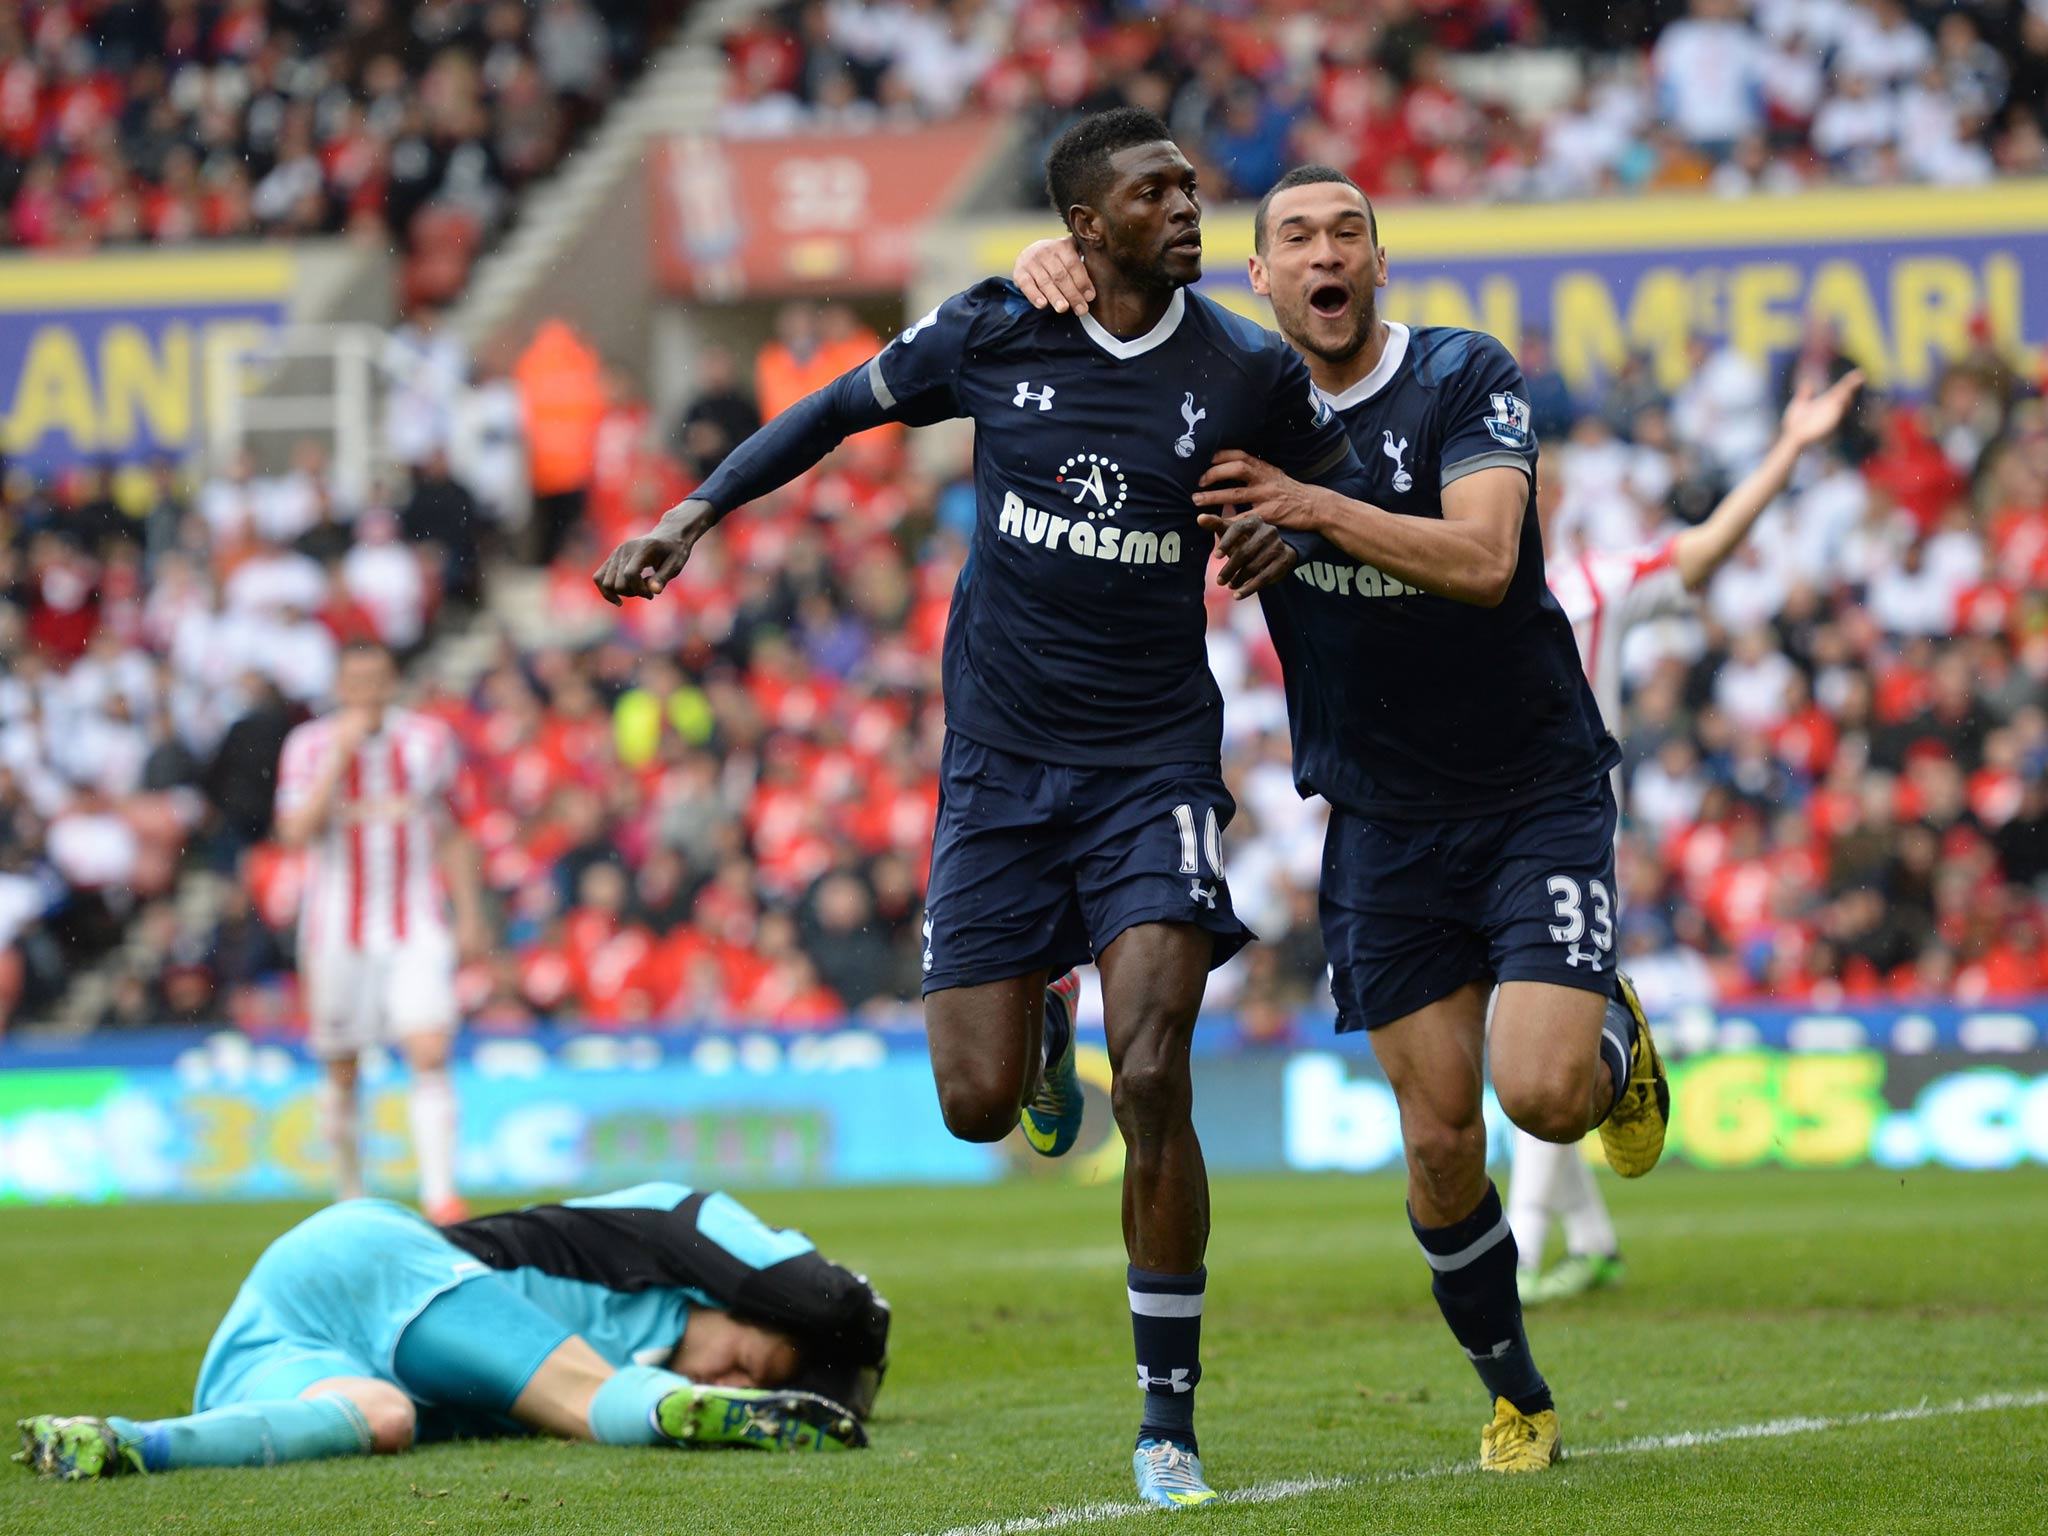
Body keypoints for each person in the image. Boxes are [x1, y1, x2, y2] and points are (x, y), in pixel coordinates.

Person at [595, 108, 1369, 1508]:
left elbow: (1334, 470)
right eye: (1156, 194)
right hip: (1000, 773)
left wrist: (1290, 517)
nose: (1190, 210)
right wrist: (694, 512)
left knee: (1152, 1082)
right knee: (970, 1108)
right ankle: (1037, 1012)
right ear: (1088, 227)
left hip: (1150, 769)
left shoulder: (1241, 370)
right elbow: (836, 409)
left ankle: (1167, 1422)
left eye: (1192, 188)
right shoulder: (997, 329)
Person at [1012, 165, 1671, 1474]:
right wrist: (1057, 269)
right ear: (1257, 279)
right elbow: (1106, 349)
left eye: (1349, 231)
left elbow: (1486, 563)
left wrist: (1307, 513)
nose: (1327, 251)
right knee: (1438, 1146)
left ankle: (1609, 1031)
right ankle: (1519, 1397)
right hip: (1376, 817)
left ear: (1380, 262)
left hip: (1529, 787)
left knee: (1539, 1098)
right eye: (1296, 237)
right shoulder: (1233, 398)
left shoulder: (1461, 375)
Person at [1515, 366, 1865, 1305]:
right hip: (1453, 845)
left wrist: (1791, 445)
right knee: (1508, 1056)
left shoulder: (1592, 587)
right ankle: (1589, 1240)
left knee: (1531, 1044)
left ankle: (1520, 1246)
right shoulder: (1423, 598)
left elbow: (1704, 551)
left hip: (1559, 847)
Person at [14, 1182, 885, 1480]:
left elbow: (389, 1411)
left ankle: (123, 1444)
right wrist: (848, 1312)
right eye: (743, 1362)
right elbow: (731, 1236)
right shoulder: (637, 1257)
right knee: (587, 1397)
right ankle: (667, 1415)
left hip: (268, 1355)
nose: (736, 1379)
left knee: (381, 1419)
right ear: (724, 1301)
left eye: (747, 1391)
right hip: (372, 1262)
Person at [273, 641, 489, 1224]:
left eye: (377, 679)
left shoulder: (428, 741)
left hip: (415, 920)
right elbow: (294, 831)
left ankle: (442, 1196)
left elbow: (455, 829)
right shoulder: (310, 744)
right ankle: (350, 1191)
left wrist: (468, 914)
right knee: (341, 1065)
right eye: (356, 681)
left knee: (429, 1047)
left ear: (392, 680)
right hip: (336, 928)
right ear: (341, 687)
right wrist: (339, 759)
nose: (367, 692)